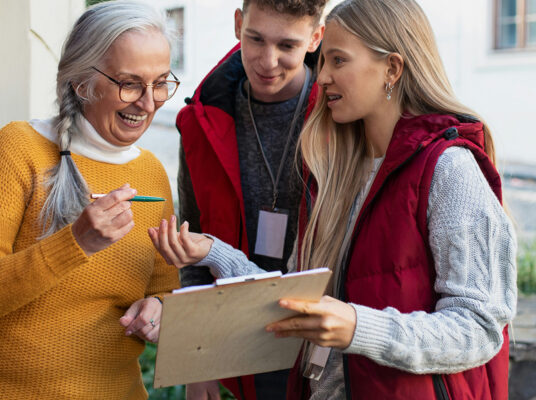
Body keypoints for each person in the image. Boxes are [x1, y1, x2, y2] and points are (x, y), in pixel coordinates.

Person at [150, 0, 518, 399]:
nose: (321, 77)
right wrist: (211, 252)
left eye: (337, 61)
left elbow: (481, 327)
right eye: (323, 61)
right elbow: (291, 295)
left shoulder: (450, 170)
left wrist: (357, 327)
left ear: (392, 69)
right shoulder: (338, 168)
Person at [0, 1, 180, 399]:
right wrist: (75, 243)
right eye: (130, 83)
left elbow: (165, 290)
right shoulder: (18, 149)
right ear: (81, 82)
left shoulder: (152, 173)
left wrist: (158, 309)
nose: (149, 102)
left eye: (160, 82)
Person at [176, 0, 326, 398]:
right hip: (242, 344)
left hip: (327, 347)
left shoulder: (341, 115)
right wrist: (198, 359)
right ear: (238, 24)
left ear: (315, 39)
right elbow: (193, 243)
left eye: (287, 46)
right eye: (255, 39)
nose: (267, 61)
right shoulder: (201, 121)